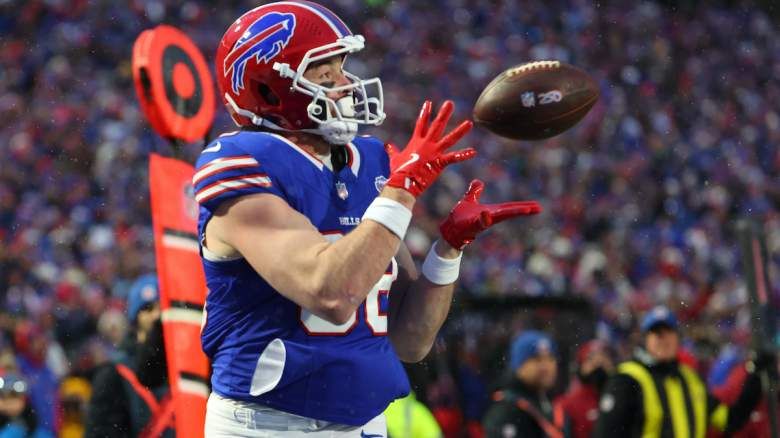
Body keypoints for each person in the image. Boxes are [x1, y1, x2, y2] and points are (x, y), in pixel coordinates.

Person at [197, 1, 541, 436]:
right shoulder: (242, 164)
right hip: (267, 424)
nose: (345, 85)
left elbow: (411, 340)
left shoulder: (370, 161)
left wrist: (448, 250)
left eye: (342, 69)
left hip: (364, 422)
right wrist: (401, 192)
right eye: (324, 76)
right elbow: (330, 293)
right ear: (268, 92)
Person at [594, 305, 763, 437]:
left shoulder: (690, 379)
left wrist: (755, 377)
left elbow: (728, 420)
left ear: (678, 337)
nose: (663, 339)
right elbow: (607, 433)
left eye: (668, 332)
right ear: (646, 339)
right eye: (657, 333)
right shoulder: (627, 378)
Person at [84, 274, 174, 438]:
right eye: (148, 308)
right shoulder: (113, 373)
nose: (156, 315)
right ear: (135, 317)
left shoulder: (181, 363)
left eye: (162, 307)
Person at [482, 331, 570, 438]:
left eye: (550, 358)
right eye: (537, 359)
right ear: (519, 366)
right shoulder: (507, 410)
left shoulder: (551, 404)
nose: (546, 366)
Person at [555, 339, 613, 438]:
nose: (598, 364)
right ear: (580, 366)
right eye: (591, 359)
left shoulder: (622, 397)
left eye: (603, 358)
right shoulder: (566, 404)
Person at [0, 372, 53, 438]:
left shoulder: (38, 431)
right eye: (3, 396)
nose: (9, 401)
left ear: (24, 399)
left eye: (14, 395)